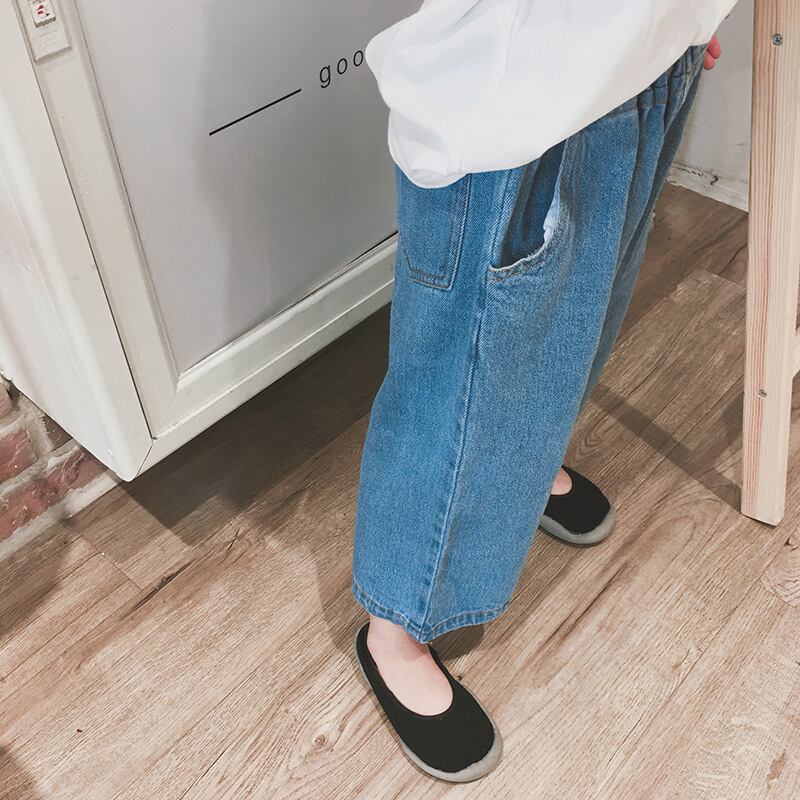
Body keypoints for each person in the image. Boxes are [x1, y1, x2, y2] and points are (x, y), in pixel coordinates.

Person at [351, 0, 730, 783]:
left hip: (639, 62)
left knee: (576, 323)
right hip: (518, 97)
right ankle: (395, 626)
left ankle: (524, 468)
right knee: (460, 377)